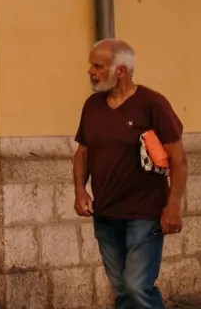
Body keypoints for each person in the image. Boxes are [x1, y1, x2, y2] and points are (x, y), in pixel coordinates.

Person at [74, 38, 185, 309]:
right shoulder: (92, 106)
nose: (90, 71)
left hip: (144, 214)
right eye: (91, 65)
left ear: (120, 70)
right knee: (122, 290)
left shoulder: (153, 104)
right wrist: (80, 190)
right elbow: (83, 153)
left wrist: (173, 205)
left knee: (138, 287)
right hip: (106, 213)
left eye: (98, 66)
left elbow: (178, 159)